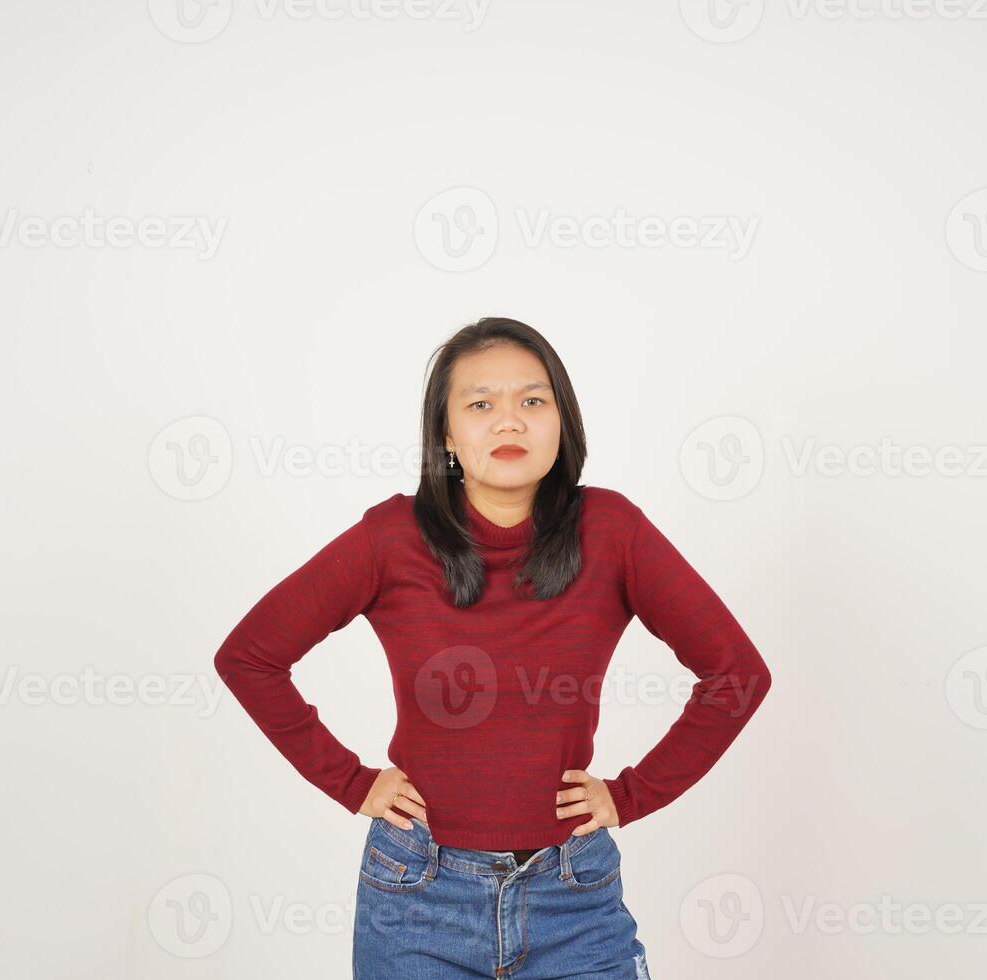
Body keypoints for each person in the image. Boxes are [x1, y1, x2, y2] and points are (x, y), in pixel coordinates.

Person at [213, 317, 772, 979]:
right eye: (481, 404)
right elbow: (249, 656)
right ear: (446, 433)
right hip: (417, 897)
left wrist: (631, 795)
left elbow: (736, 673)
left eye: (532, 402)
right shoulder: (390, 538)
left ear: (562, 421)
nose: (509, 422)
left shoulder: (612, 531)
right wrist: (351, 782)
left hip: (574, 899)